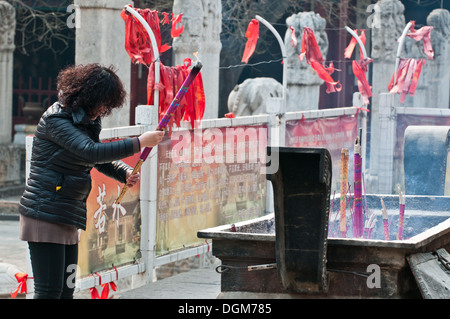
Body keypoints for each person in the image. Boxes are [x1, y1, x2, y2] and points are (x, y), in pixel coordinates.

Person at [18, 63, 164, 299]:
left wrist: (122, 172)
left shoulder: (88, 120)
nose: (103, 109)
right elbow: (90, 152)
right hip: (44, 213)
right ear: (86, 96)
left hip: (67, 213)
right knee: (48, 292)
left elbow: (95, 157)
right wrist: (139, 142)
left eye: (107, 105)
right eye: (102, 102)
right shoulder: (57, 120)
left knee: (66, 291)